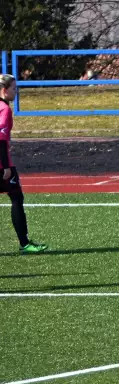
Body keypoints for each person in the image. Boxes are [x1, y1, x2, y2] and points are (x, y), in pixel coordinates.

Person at [0, 74, 48, 254]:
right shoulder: (4, 109)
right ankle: (24, 243)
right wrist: (5, 166)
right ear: (4, 91)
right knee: (16, 198)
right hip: (2, 164)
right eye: (14, 88)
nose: (16, 91)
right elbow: (1, 138)